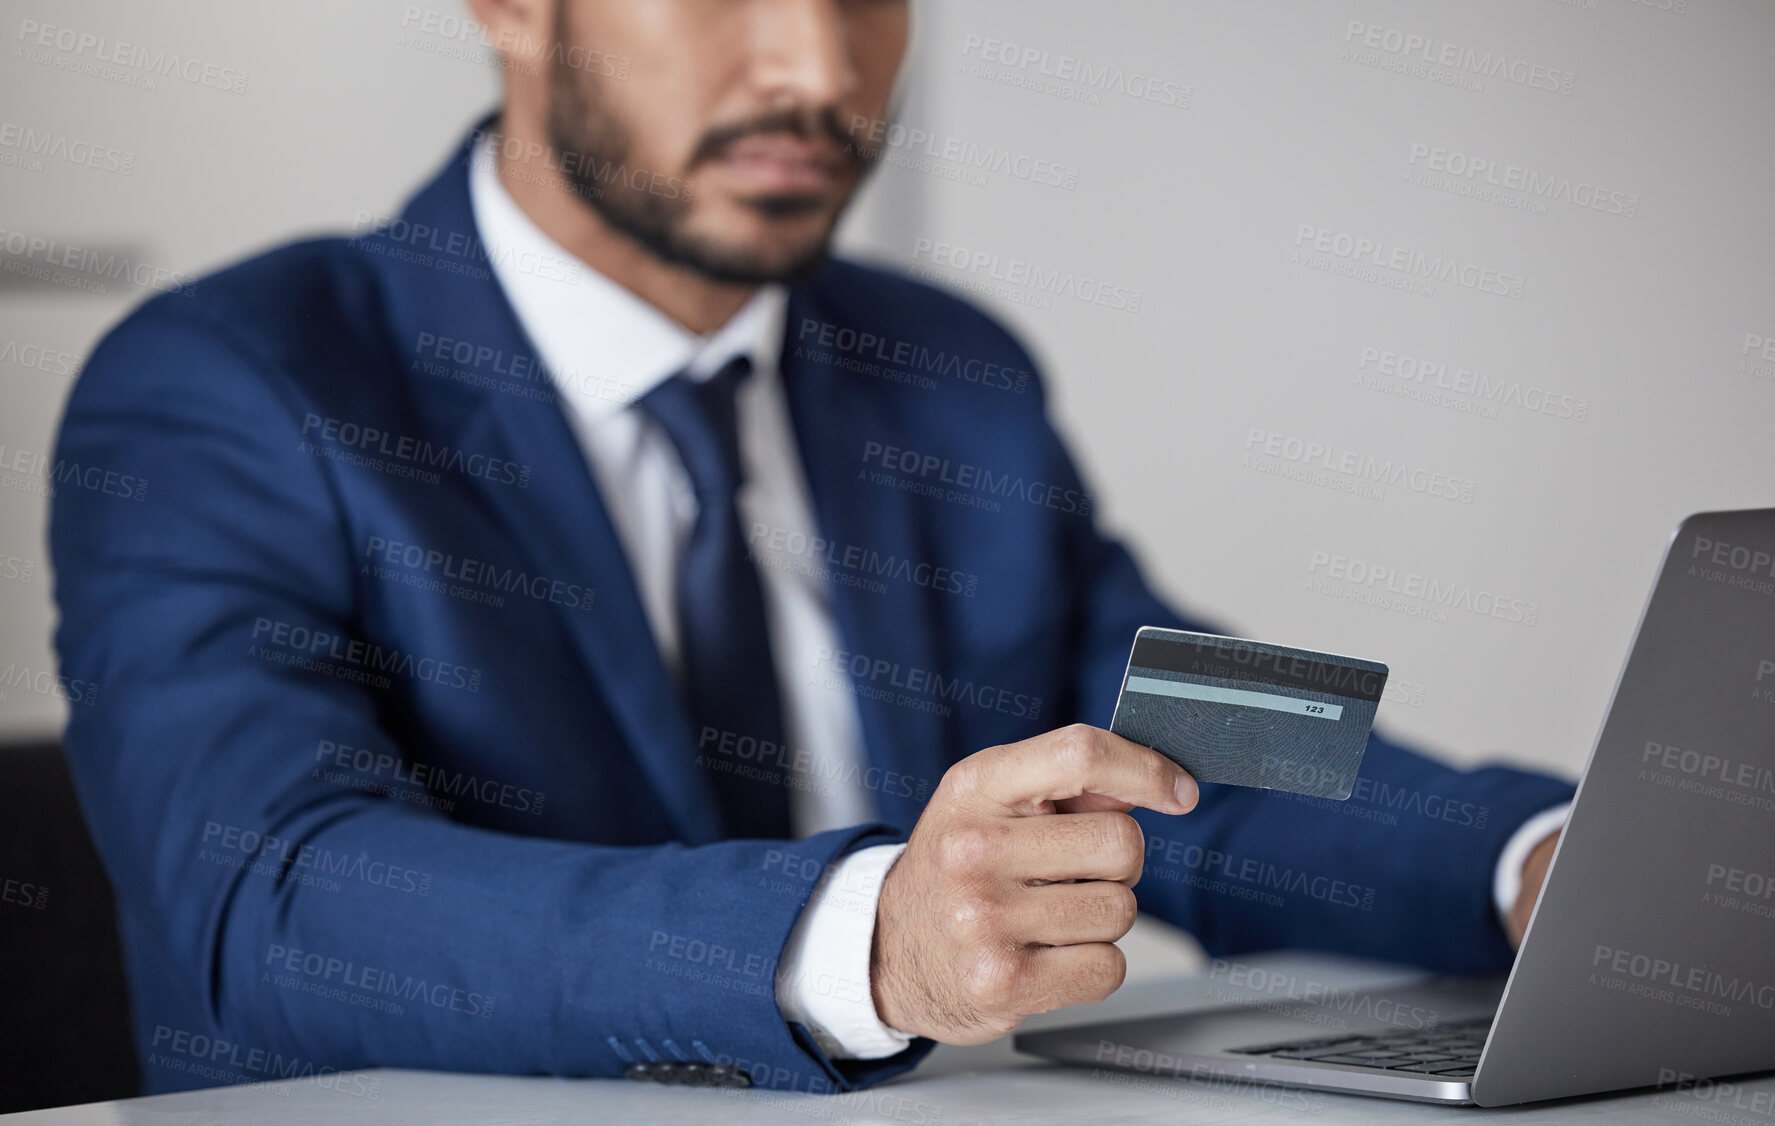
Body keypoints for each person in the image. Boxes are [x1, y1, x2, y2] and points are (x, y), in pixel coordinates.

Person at [50, 0, 1572, 1096]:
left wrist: (1540, 858)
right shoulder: (231, 382)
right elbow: (275, 891)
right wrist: (865, 940)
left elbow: (1180, 743)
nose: (818, 66)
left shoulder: (944, 368)